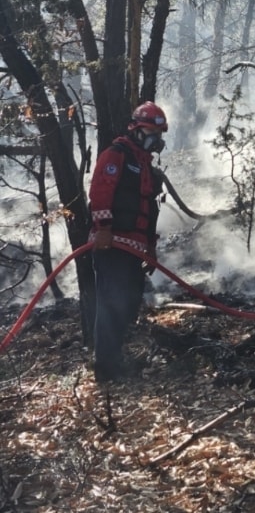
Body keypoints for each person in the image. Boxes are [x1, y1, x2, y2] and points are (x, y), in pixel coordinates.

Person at [88, 101, 167, 382]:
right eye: (151, 133)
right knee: (111, 303)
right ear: (136, 129)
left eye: (158, 135)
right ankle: (106, 369)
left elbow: (150, 209)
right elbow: (100, 192)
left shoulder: (145, 167)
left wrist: (150, 247)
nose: (156, 140)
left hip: (134, 248)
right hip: (112, 245)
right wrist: (104, 229)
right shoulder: (116, 155)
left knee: (130, 301)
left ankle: (115, 358)